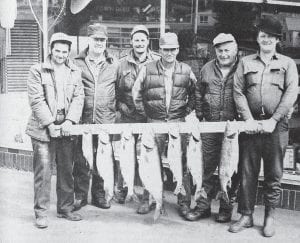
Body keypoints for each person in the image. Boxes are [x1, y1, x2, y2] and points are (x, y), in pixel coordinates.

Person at [229, 16, 298, 237]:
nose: (266, 39)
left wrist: (273, 120)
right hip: (250, 125)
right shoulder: (245, 62)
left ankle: (270, 215)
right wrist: (247, 119)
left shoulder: (287, 64)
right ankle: (246, 215)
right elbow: (238, 91)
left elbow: (291, 94)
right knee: (247, 172)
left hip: (276, 127)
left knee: (273, 173)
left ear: (278, 39)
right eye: (262, 35)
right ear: (257, 38)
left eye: (271, 36)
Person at [132, 32, 196, 217]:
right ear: (160, 50)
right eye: (166, 49)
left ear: (178, 50)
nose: (169, 53)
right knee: (150, 162)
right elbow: (136, 93)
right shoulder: (147, 68)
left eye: (173, 49)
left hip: (177, 122)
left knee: (182, 162)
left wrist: (185, 111)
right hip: (154, 122)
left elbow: (195, 93)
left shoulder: (186, 69)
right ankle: (148, 199)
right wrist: (147, 114)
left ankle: (184, 202)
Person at [26, 32, 84, 228]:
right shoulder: (37, 70)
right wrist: (50, 124)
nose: (60, 54)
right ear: (50, 49)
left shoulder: (75, 71)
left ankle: (65, 208)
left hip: (66, 128)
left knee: (67, 170)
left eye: (64, 51)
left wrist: (70, 121)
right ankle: (41, 213)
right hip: (43, 129)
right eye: (57, 50)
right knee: (43, 173)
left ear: (69, 53)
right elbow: (36, 100)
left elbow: (79, 97)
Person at [185, 33, 240, 223]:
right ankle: (202, 206)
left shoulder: (242, 68)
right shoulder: (207, 68)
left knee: (230, 169)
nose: (223, 54)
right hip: (209, 124)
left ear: (234, 50)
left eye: (227, 50)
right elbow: (199, 92)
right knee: (205, 167)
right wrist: (199, 115)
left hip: (232, 128)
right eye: (220, 51)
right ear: (215, 51)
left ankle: (225, 208)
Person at [72, 23, 119, 210]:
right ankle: (80, 195)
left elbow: (121, 90)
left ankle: (99, 195)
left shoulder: (114, 64)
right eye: (96, 39)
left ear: (106, 41)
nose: (99, 43)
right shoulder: (76, 62)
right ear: (88, 40)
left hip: (105, 120)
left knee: (103, 159)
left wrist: (116, 111)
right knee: (82, 158)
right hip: (83, 119)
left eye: (102, 39)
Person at [114, 25, 160, 208]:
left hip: (149, 117)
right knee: (124, 155)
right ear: (131, 41)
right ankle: (122, 190)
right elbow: (115, 92)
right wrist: (121, 107)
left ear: (148, 42)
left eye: (143, 40)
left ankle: (147, 198)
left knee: (148, 157)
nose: (139, 43)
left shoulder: (157, 60)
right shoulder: (121, 63)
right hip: (128, 116)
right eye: (136, 40)